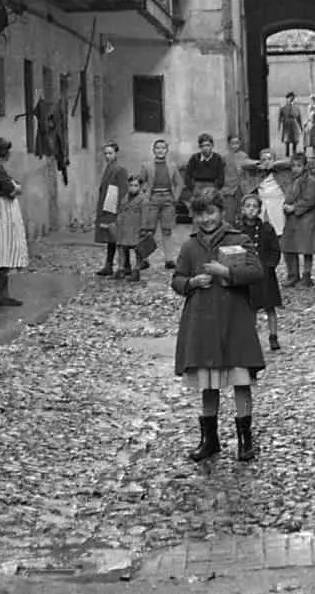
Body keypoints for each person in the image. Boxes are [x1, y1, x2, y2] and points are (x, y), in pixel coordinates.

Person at [171, 192, 266, 461]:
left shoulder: (239, 239)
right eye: (200, 214)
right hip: (202, 323)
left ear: (221, 212)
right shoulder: (190, 247)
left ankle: (245, 441)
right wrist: (191, 283)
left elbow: (256, 272)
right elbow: (177, 279)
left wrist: (227, 273)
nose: (206, 219)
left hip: (234, 322)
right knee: (208, 382)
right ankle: (209, 439)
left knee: (239, 379)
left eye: (211, 212)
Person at [0, 137, 28, 306]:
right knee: (6, 248)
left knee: (7, 249)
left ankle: (2, 292)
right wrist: (16, 187)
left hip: (3, 208)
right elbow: (10, 188)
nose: (9, 153)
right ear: (3, 152)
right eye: (7, 150)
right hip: (3, 210)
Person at [239, 190, 282, 351]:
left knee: (269, 305)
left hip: (265, 272)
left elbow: (275, 249)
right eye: (248, 206)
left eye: (254, 206)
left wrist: (270, 265)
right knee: (251, 306)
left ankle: (273, 336)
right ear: (242, 209)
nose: (251, 209)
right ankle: (252, 337)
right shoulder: (238, 230)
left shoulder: (266, 228)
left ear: (259, 210)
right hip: (247, 272)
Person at [281, 149, 315, 287]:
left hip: (306, 220)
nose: (295, 169)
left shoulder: (312, 181)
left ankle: (306, 276)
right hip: (292, 220)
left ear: (305, 166)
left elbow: (309, 200)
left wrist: (294, 208)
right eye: (293, 166)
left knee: (307, 249)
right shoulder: (291, 181)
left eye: (299, 165)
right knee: (289, 247)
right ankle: (293, 275)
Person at [142, 137, 184, 269]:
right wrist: (145, 196)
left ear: (167, 150)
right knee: (149, 230)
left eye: (163, 148)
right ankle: (144, 258)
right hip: (152, 199)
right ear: (153, 150)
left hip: (167, 199)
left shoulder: (172, 166)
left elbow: (180, 183)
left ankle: (169, 259)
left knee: (167, 230)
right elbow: (139, 181)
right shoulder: (147, 166)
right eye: (158, 148)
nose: (160, 150)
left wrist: (175, 197)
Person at [94, 140, 128, 278]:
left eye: (110, 153)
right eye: (106, 153)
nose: (108, 156)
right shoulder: (109, 168)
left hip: (114, 207)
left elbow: (123, 190)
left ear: (116, 153)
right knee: (111, 238)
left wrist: (121, 209)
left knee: (118, 237)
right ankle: (109, 265)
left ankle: (125, 266)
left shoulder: (120, 169)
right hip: (107, 206)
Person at [114, 172, 149, 280]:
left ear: (141, 186)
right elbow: (120, 210)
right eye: (131, 185)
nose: (132, 188)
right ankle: (122, 268)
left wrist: (144, 228)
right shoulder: (125, 198)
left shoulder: (143, 200)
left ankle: (137, 270)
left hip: (135, 228)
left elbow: (145, 215)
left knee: (138, 249)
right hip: (123, 228)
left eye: (135, 186)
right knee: (121, 247)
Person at [184, 133, 225, 203]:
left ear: (212, 146)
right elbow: (187, 175)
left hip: (212, 186)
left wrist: (216, 188)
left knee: (211, 208)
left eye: (208, 145)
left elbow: (221, 175)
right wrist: (192, 188)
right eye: (202, 146)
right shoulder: (195, 158)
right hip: (198, 186)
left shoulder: (217, 158)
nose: (205, 148)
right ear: (199, 147)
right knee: (198, 207)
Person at [221, 132, 250, 225]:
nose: (235, 146)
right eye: (232, 143)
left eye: (237, 143)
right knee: (229, 213)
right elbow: (222, 173)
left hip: (241, 187)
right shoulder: (225, 157)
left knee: (241, 211)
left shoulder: (244, 156)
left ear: (240, 144)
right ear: (229, 144)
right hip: (228, 188)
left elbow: (247, 173)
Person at [278, 92, 302, 157]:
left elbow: (299, 118)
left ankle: (294, 154)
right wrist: (279, 126)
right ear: (287, 98)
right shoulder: (283, 107)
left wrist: (301, 127)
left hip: (294, 123)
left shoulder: (296, 107)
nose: (292, 98)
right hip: (287, 124)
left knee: (295, 140)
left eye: (293, 97)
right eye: (290, 97)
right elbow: (280, 117)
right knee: (287, 140)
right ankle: (287, 154)